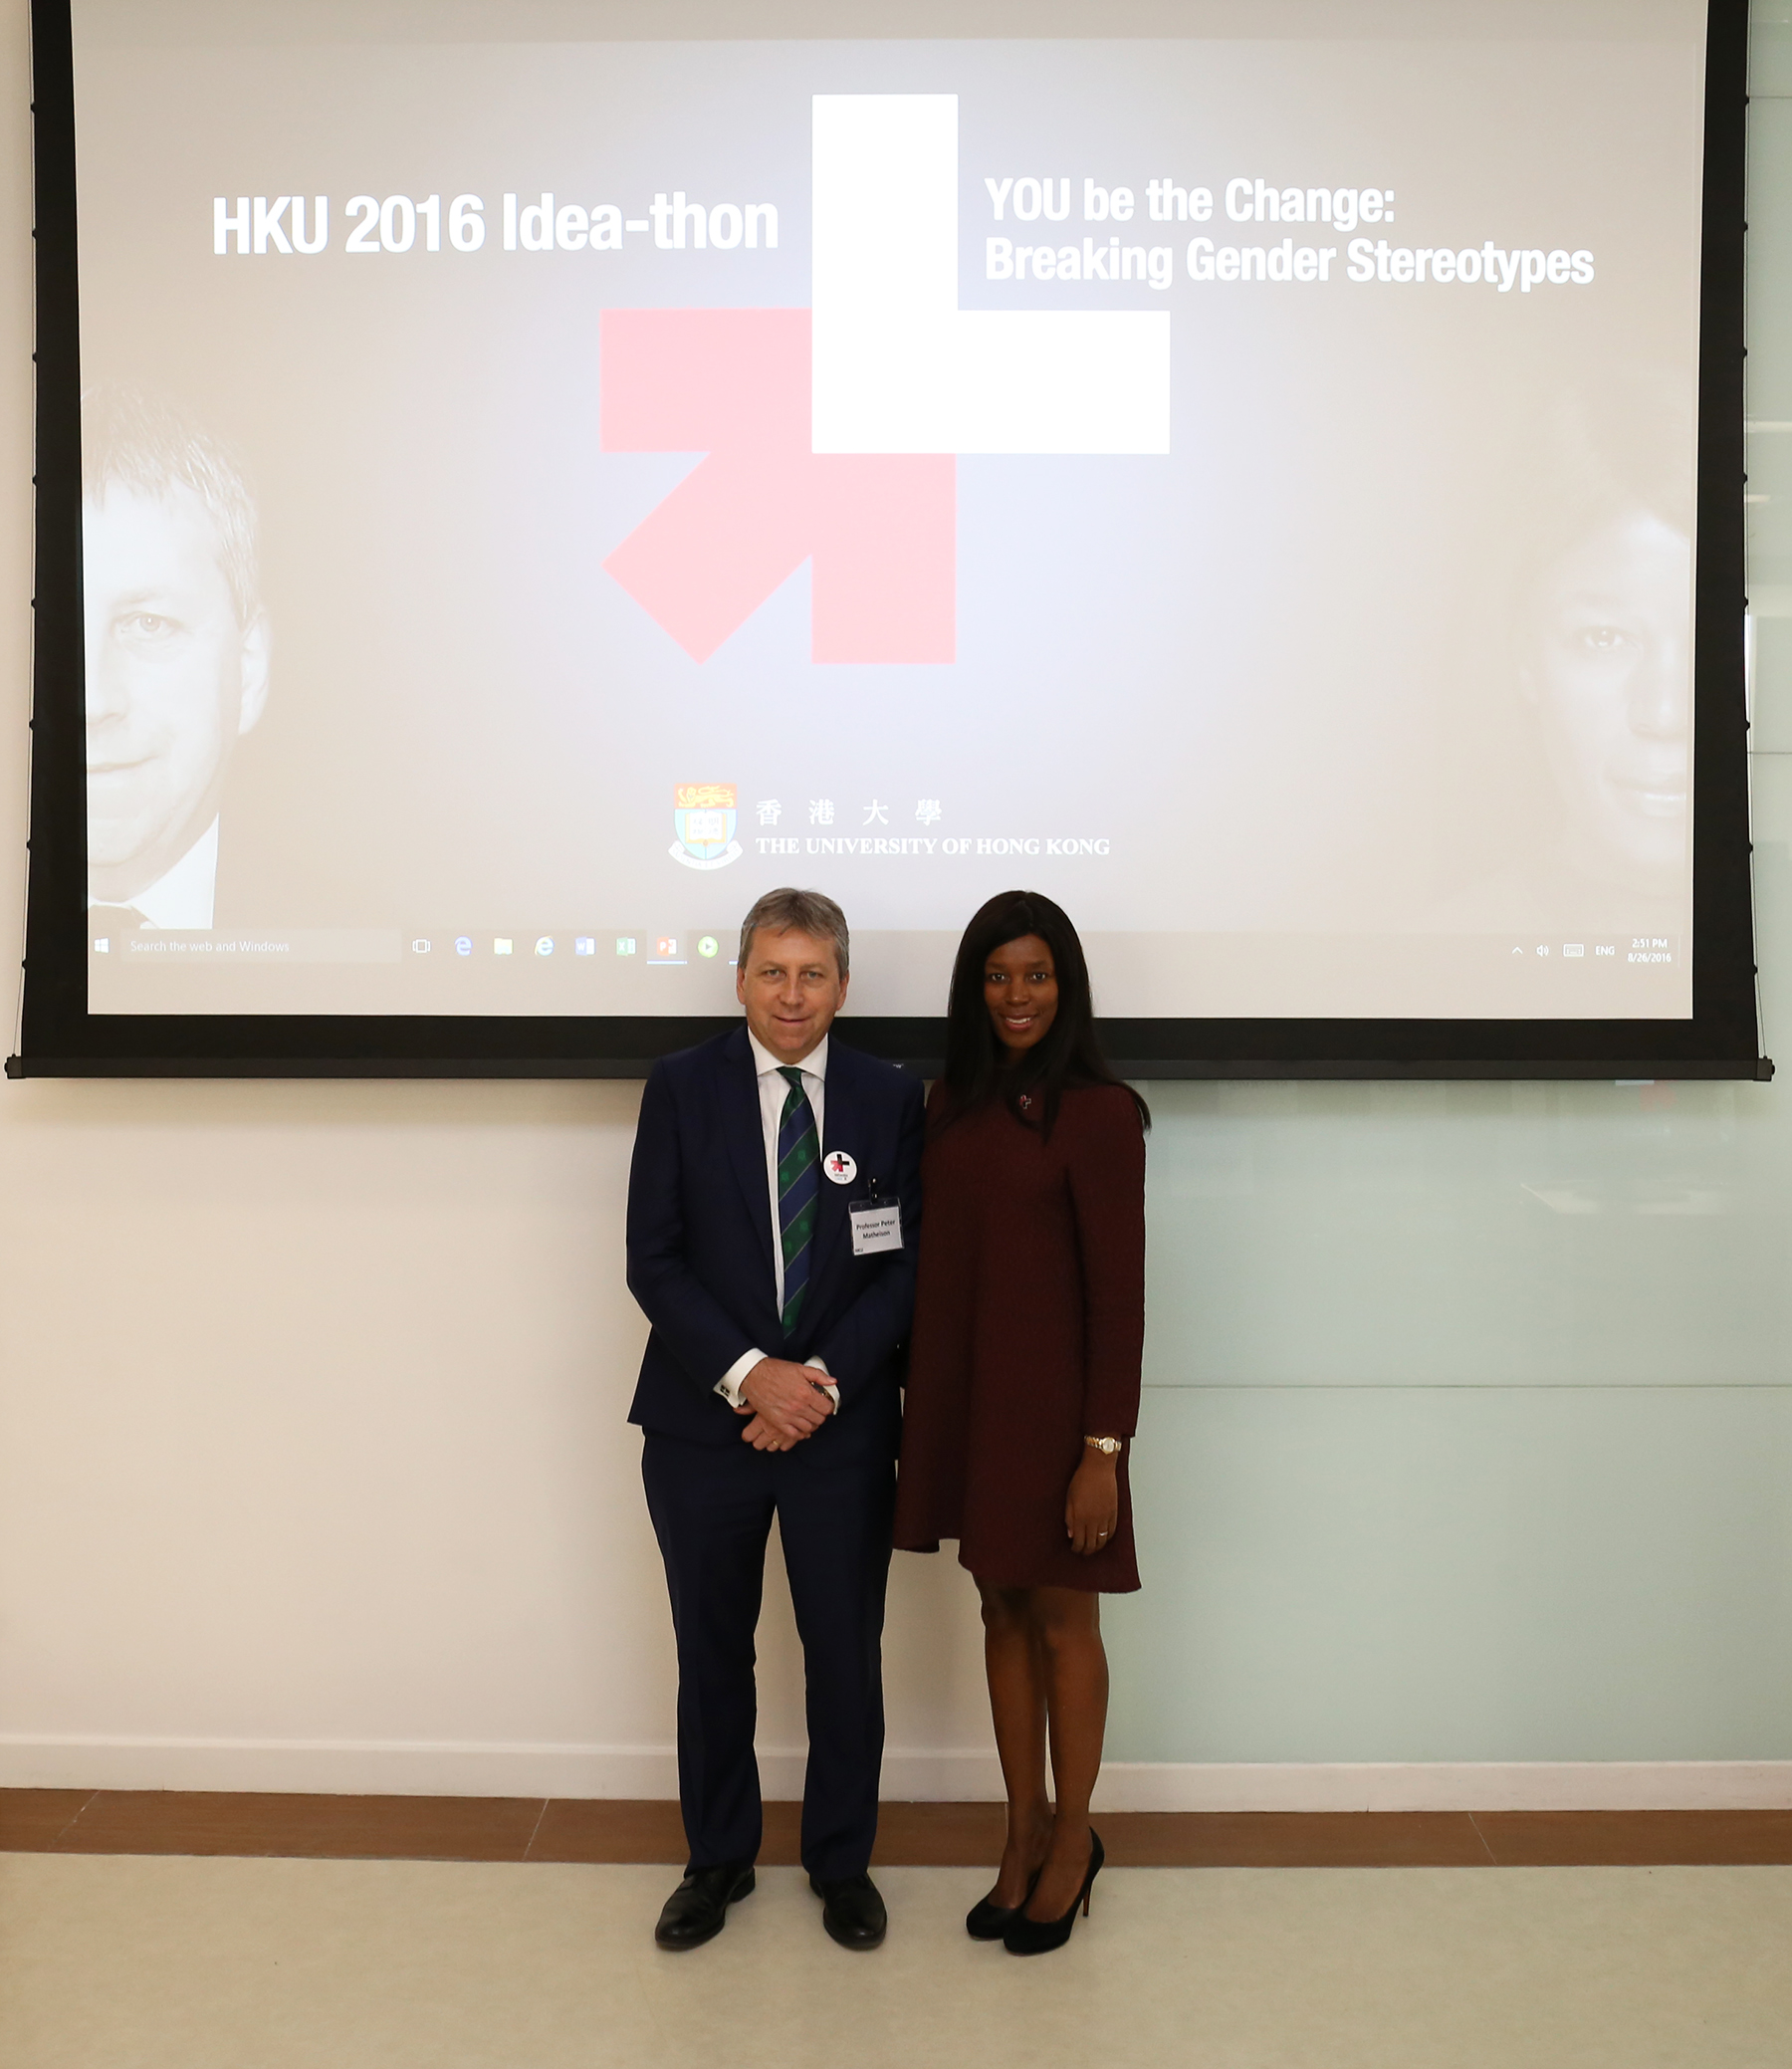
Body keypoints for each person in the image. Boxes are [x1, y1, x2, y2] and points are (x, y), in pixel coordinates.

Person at [626, 887, 926, 1954]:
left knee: (845, 1653)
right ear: (740, 980)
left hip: (841, 1430)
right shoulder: (680, 1086)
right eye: (772, 972)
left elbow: (907, 1266)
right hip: (703, 1427)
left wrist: (820, 1384)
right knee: (712, 1652)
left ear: (843, 985)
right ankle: (717, 1859)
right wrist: (754, 1376)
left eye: (812, 974)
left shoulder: (892, 1095)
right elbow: (653, 1259)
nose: (791, 995)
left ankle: (841, 1861)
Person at [894, 890, 1147, 1956]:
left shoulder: (1101, 1112)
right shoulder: (948, 1104)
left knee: (1063, 1622)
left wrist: (1103, 1452)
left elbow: (1120, 1298)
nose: (1016, 995)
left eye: (1036, 975)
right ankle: (1021, 1833)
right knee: (1000, 1611)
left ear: (1066, 985)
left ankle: (1074, 1838)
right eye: (997, 976)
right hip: (968, 1403)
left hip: (1061, 1423)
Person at [83, 384, 270, 932]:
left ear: (249, 669)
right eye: (52, 630)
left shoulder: (385, 943)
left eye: (149, 624)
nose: (91, 700)